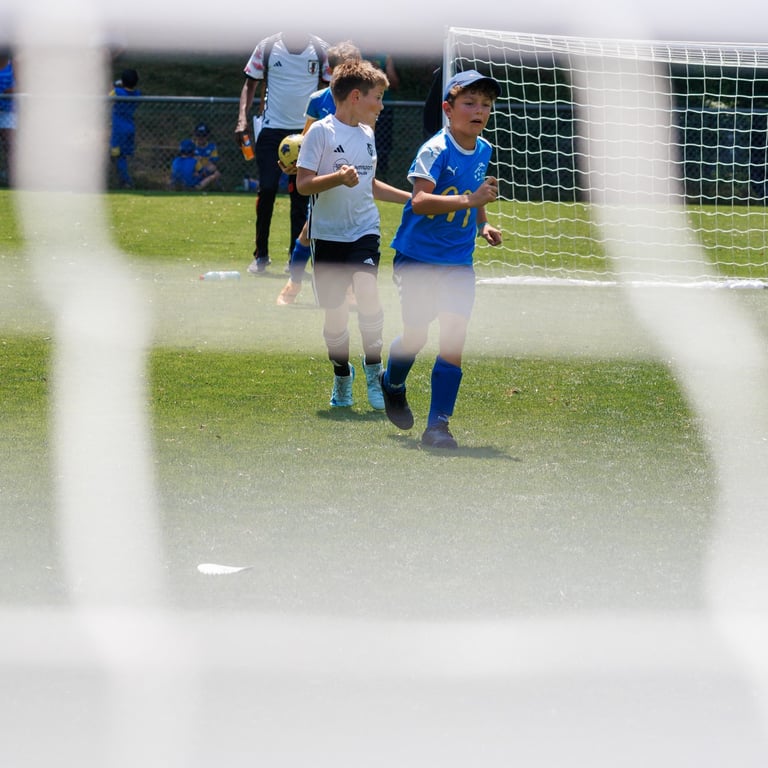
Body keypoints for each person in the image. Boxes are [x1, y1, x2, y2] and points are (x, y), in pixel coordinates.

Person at [379, 69, 503, 449]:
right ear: (448, 109)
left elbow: (475, 191)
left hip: (458, 262)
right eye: (469, 103)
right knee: (416, 336)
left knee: (453, 338)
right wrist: (470, 201)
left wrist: (481, 223)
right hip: (418, 257)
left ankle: (438, 427)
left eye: (486, 105)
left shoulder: (484, 149)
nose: (479, 111)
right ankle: (392, 382)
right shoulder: (435, 149)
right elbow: (419, 201)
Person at [295, 59, 410, 410]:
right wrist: (337, 178)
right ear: (356, 97)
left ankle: (375, 372)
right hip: (327, 235)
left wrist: (411, 199)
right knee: (335, 316)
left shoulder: (367, 133)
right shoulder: (320, 133)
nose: (381, 106)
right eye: (378, 97)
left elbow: (369, 185)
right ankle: (342, 375)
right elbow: (303, 185)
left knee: (367, 294)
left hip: (364, 230)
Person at [235, 32, 331, 275]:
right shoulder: (267, 46)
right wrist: (242, 119)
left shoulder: (321, 50)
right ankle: (260, 256)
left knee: (301, 195)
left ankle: (294, 261)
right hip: (271, 130)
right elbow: (250, 84)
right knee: (267, 189)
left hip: (306, 132)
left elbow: (332, 89)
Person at [275, 40, 361, 306]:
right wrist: (294, 162)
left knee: (353, 236)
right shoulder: (318, 100)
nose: (350, 75)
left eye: (355, 69)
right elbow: (306, 139)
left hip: (353, 179)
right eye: (344, 69)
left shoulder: (364, 101)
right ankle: (293, 283)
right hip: (323, 181)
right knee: (308, 233)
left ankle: (349, 289)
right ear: (331, 71)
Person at [365, 52, 400, 182]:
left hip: (386, 109)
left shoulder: (385, 56)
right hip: (364, 108)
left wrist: (379, 70)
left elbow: (394, 83)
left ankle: (381, 174)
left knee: (384, 143)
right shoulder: (359, 55)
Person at [109, 68, 140, 188]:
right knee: (123, 156)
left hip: (118, 131)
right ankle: (122, 179)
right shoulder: (138, 94)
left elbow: (108, 95)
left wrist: (115, 84)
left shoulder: (117, 92)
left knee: (118, 156)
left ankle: (126, 181)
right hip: (130, 128)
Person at [0, 54, 16, 186]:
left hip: (8, 111)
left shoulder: (14, 64)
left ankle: (11, 176)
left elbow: (23, 85)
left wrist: (7, 92)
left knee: (9, 145)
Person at [192, 122, 220, 186]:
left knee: (216, 173)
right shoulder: (192, 146)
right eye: (198, 135)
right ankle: (197, 187)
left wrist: (200, 160)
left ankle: (202, 186)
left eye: (203, 135)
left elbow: (213, 164)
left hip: (207, 171)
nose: (201, 138)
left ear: (207, 135)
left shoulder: (212, 146)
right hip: (195, 170)